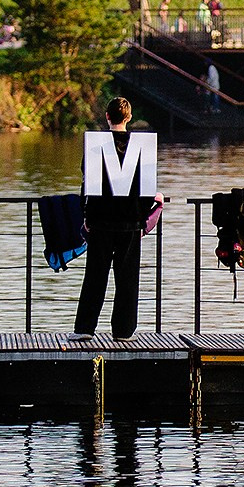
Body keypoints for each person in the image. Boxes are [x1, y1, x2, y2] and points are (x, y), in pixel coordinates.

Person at [73, 97, 156, 340]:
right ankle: (124, 330)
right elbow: (147, 188)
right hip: (130, 221)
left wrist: (86, 215)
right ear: (128, 118)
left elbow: (87, 184)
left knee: (95, 276)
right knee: (127, 277)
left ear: (107, 116)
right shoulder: (141, 146)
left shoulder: (96, 145)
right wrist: (142, 216)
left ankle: (85, 329)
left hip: (100, 221)